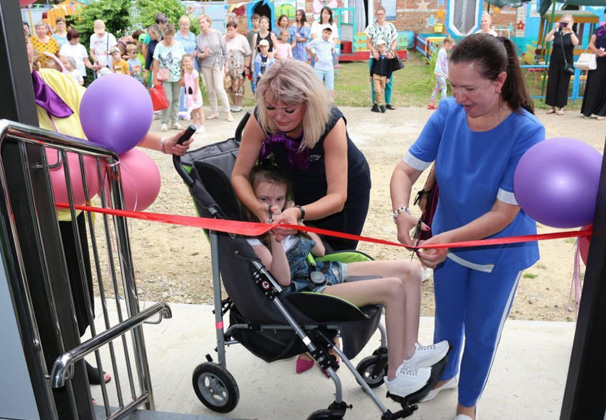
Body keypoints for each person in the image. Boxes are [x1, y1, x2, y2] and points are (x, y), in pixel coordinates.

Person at [390, 34, 545, 420]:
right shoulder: (447, 112)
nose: (460, 97)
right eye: (454, 86)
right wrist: (400, 213)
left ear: (500, 80)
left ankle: (467, 406)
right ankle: (445, 374)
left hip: (499, 252)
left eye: (469, 88)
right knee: (445, 323)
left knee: (480, 334)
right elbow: (405, 170)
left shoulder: (527, 132)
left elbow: (502, 214)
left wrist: (442, 238)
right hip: (449, 244)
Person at [25, 32, 192, 388]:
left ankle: (68, 356)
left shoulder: (52, 82)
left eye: (24, 38)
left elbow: (108, 122)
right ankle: (52, 374)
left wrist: (161, 144)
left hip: (72, 209)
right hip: (27, 219)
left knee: (81, 301)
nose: (22, 45)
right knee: (43, 302)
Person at [242, 162, 449, 394]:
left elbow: (319, 251)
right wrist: (275, 240)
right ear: (250, 199)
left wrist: (299, 225)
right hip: (304, 293)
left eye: (279, 200)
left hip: (322, 272)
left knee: (410, 270)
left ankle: (410, 352)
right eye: (264, 199)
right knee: (393, 288)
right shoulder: (252, 239)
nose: (272, 206)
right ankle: (396, 373)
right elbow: (282, 279)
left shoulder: (288, 219)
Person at [232, 59, 371, 252]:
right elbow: (239, 175)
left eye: (289, 110)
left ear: (309, 104)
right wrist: (258, 208)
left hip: (346, 189)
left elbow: (337, 197)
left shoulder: (331, 123)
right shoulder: (260, 118)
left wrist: (299, 212)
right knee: (303, 250)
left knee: (337, 255)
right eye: (271, 108)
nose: (279, 117)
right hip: (300, 183)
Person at [196, 14, 233, 122]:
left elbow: (225, 49)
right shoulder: (198, 38)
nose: (201, 24)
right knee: (210, 89)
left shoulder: (217, 33)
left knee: (219, 87)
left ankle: (228, 112)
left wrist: (226, 65)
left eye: (203, 22)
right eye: (200, 23)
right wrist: (203, 55)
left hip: (218, 62)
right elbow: (198, 53)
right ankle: (214, 111)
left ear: (208, 22)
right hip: (205, 64)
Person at [153, 24, 186, 132]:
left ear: (173, 35)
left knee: (176, 99)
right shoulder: (159, 46)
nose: (167, 39)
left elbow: (183, 62)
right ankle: (164, 122)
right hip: (164, 76)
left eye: (170, 37)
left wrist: (183, 77)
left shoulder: (179, 45)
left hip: (177, 75)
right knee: (168, 99)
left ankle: (175, 121)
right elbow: (156, 63)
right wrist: (154, 78)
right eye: (166, 37)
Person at [544, 15, 579, 116]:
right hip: (555, 61)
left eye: (568, 22)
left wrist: (571, 30)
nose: (566, 24)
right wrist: (554, 28)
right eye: (564, 21)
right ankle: (552, 105)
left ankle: (560, 106)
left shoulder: (573, 34)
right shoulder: (557, 34)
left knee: (563, 84)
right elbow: (547, 39)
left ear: (572, 23)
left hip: (566, 63)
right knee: (553, 82)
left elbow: (576, 43)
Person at [365, 6, 397, 111]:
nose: (380, 16)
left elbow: (395, 40)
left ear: (385, 14)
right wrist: (374, 51)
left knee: (388, 80)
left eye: (381, 14)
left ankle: (388, 102)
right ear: (376, 15)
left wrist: (391, 51)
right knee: (375, 81)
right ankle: (376, 103)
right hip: (376, 57)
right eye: (378, 14)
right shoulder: (372, 27)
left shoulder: (391, 26)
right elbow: (368, 42)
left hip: (387, 57)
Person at [581, 9, 606, 120]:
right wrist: (596, 51)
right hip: (597, 61)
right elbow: (591, 43)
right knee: (593, 84)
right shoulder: (599, 30)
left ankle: (602, 112)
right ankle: (588, 110)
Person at [224, 21, 252, 113]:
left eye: (231, 29)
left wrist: (246, 66)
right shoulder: (224, 38)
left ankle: (239, 104)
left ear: (236, 29)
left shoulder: (241, 39)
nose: (229, 31)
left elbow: (248, 53)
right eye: (228, 29)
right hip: (228, 66)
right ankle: (234, 103)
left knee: (238, 85)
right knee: (229, 85)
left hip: (239, 66)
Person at [307, 27, 336, 99]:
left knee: (330, 86)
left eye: (329, 34)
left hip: (329, 67)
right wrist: (314, 55)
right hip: (319, 67)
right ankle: (317, 102)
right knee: (317, 86)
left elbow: (332, 50)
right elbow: (307, 47)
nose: (327, 35)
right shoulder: (316, 41)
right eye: (325, 33)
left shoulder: (331, 42)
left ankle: (330, 103)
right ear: (322, 32)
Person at [428, 37, 455, 111]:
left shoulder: (442, 51)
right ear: (447, 44)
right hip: (440, 73)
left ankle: (431, 103)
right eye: (451, 46)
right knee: (444, 88)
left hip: (438, 72)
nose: (451, 48)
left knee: (437, 87)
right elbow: (443, 64)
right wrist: (446, 73)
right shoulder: (443, 52)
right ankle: (444, 106)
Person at [370, 39, 396, 113]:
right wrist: (371, 75)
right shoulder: (377, 56)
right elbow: (373, 66)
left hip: (383, 77)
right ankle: (381, 105)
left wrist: (388, 77)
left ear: (385, 47)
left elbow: (390, 68)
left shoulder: (388, 57)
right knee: (377, 90)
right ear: (378, 48)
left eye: (383, 47)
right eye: (380, 47)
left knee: (381, 91)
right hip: (376, 76)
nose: (382, 49)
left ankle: (375, 105)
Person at [182, 54, 205, 133]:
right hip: (189, 94)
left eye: (188, 61)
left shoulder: (194, 72)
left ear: (192, 62)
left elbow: (196, 84)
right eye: (185, 61)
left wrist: (195, 94)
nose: (187, 63)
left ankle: (202, 126)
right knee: (193, 110)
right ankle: (194, 124)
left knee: (199, 109)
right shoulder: (185, 72)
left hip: (195, 93)